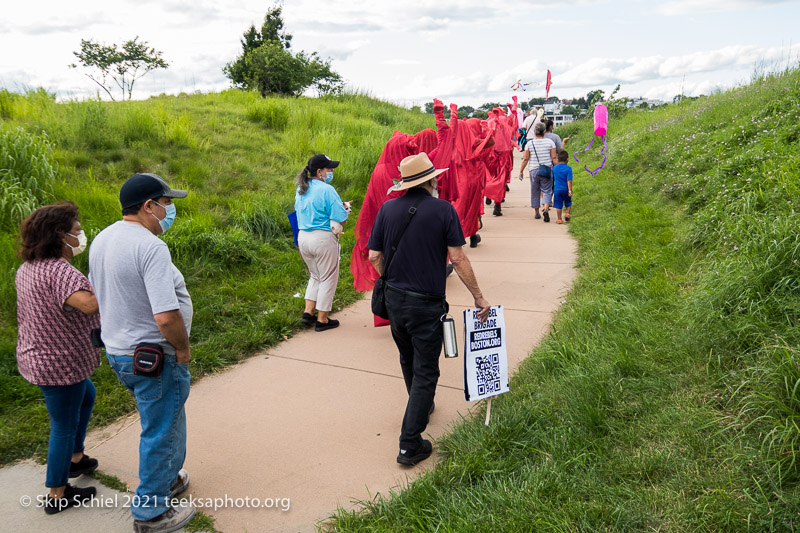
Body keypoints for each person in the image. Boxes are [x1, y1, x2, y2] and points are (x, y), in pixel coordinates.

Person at [368, 152, 490, 466]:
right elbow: (458, 258)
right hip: (426, 303)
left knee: (407, 356)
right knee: (427, 370)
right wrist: (478, 295)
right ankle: (410, 443)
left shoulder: (387, 209)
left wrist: (388, 278)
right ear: (432, 180)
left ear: (406, 184)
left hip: (394, 299)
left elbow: (373, 256)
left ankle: (420, 404)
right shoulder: (443, 210)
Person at [89, 173, 195, 532]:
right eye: (166, 203)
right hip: (155, 356)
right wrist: (182, 349)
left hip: (120, 351)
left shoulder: (104, 238)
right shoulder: (150, 247)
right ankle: (150, 512)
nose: (170, 210)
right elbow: (166, 316)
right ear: (148, 206)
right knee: (161, 430)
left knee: (168, 420)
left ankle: (167, 482)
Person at [15, 202, 100, 514]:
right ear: (60, 236)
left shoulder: (29, 267)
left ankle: (76, 459)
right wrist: (108, 281)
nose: (81, 236)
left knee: (86, 396)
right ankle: (57, 493)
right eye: (77, 231)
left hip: (37, 355)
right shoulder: (60, 270)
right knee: (62, 424)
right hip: (59, 364)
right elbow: (88, 305)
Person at [295, 154, 349, 331]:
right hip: (323, 238)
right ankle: (322, 319)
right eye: (329, 169)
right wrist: (345, 209)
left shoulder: (301, 188)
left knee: (316, 275)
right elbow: (340, 217)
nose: (331, 171)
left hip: (303, 237)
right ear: (319, 171)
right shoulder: (327, 190)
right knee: (328, 278)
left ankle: (308, 312)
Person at [518, 122, 557, 222]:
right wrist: (559, 168)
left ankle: (536, 212)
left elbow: (525, 159)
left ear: (535, 132)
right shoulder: (550, 142)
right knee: (547, 190)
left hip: (533, 170)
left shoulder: (529, 143)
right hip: (547, 169)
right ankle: (545, 207)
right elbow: (553, 157)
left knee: (535, 191)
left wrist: (521, 171)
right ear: (544, 131)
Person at [552, 150, 574, 223]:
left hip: (557, 190)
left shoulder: (555, 168)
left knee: (558, 204)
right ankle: (567, 213)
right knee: (568, 202)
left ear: (558, 159)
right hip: (566, 189)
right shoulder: (569, 169)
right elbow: (569, 181)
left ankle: (559, 219)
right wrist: (570, 190)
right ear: (567, 159)